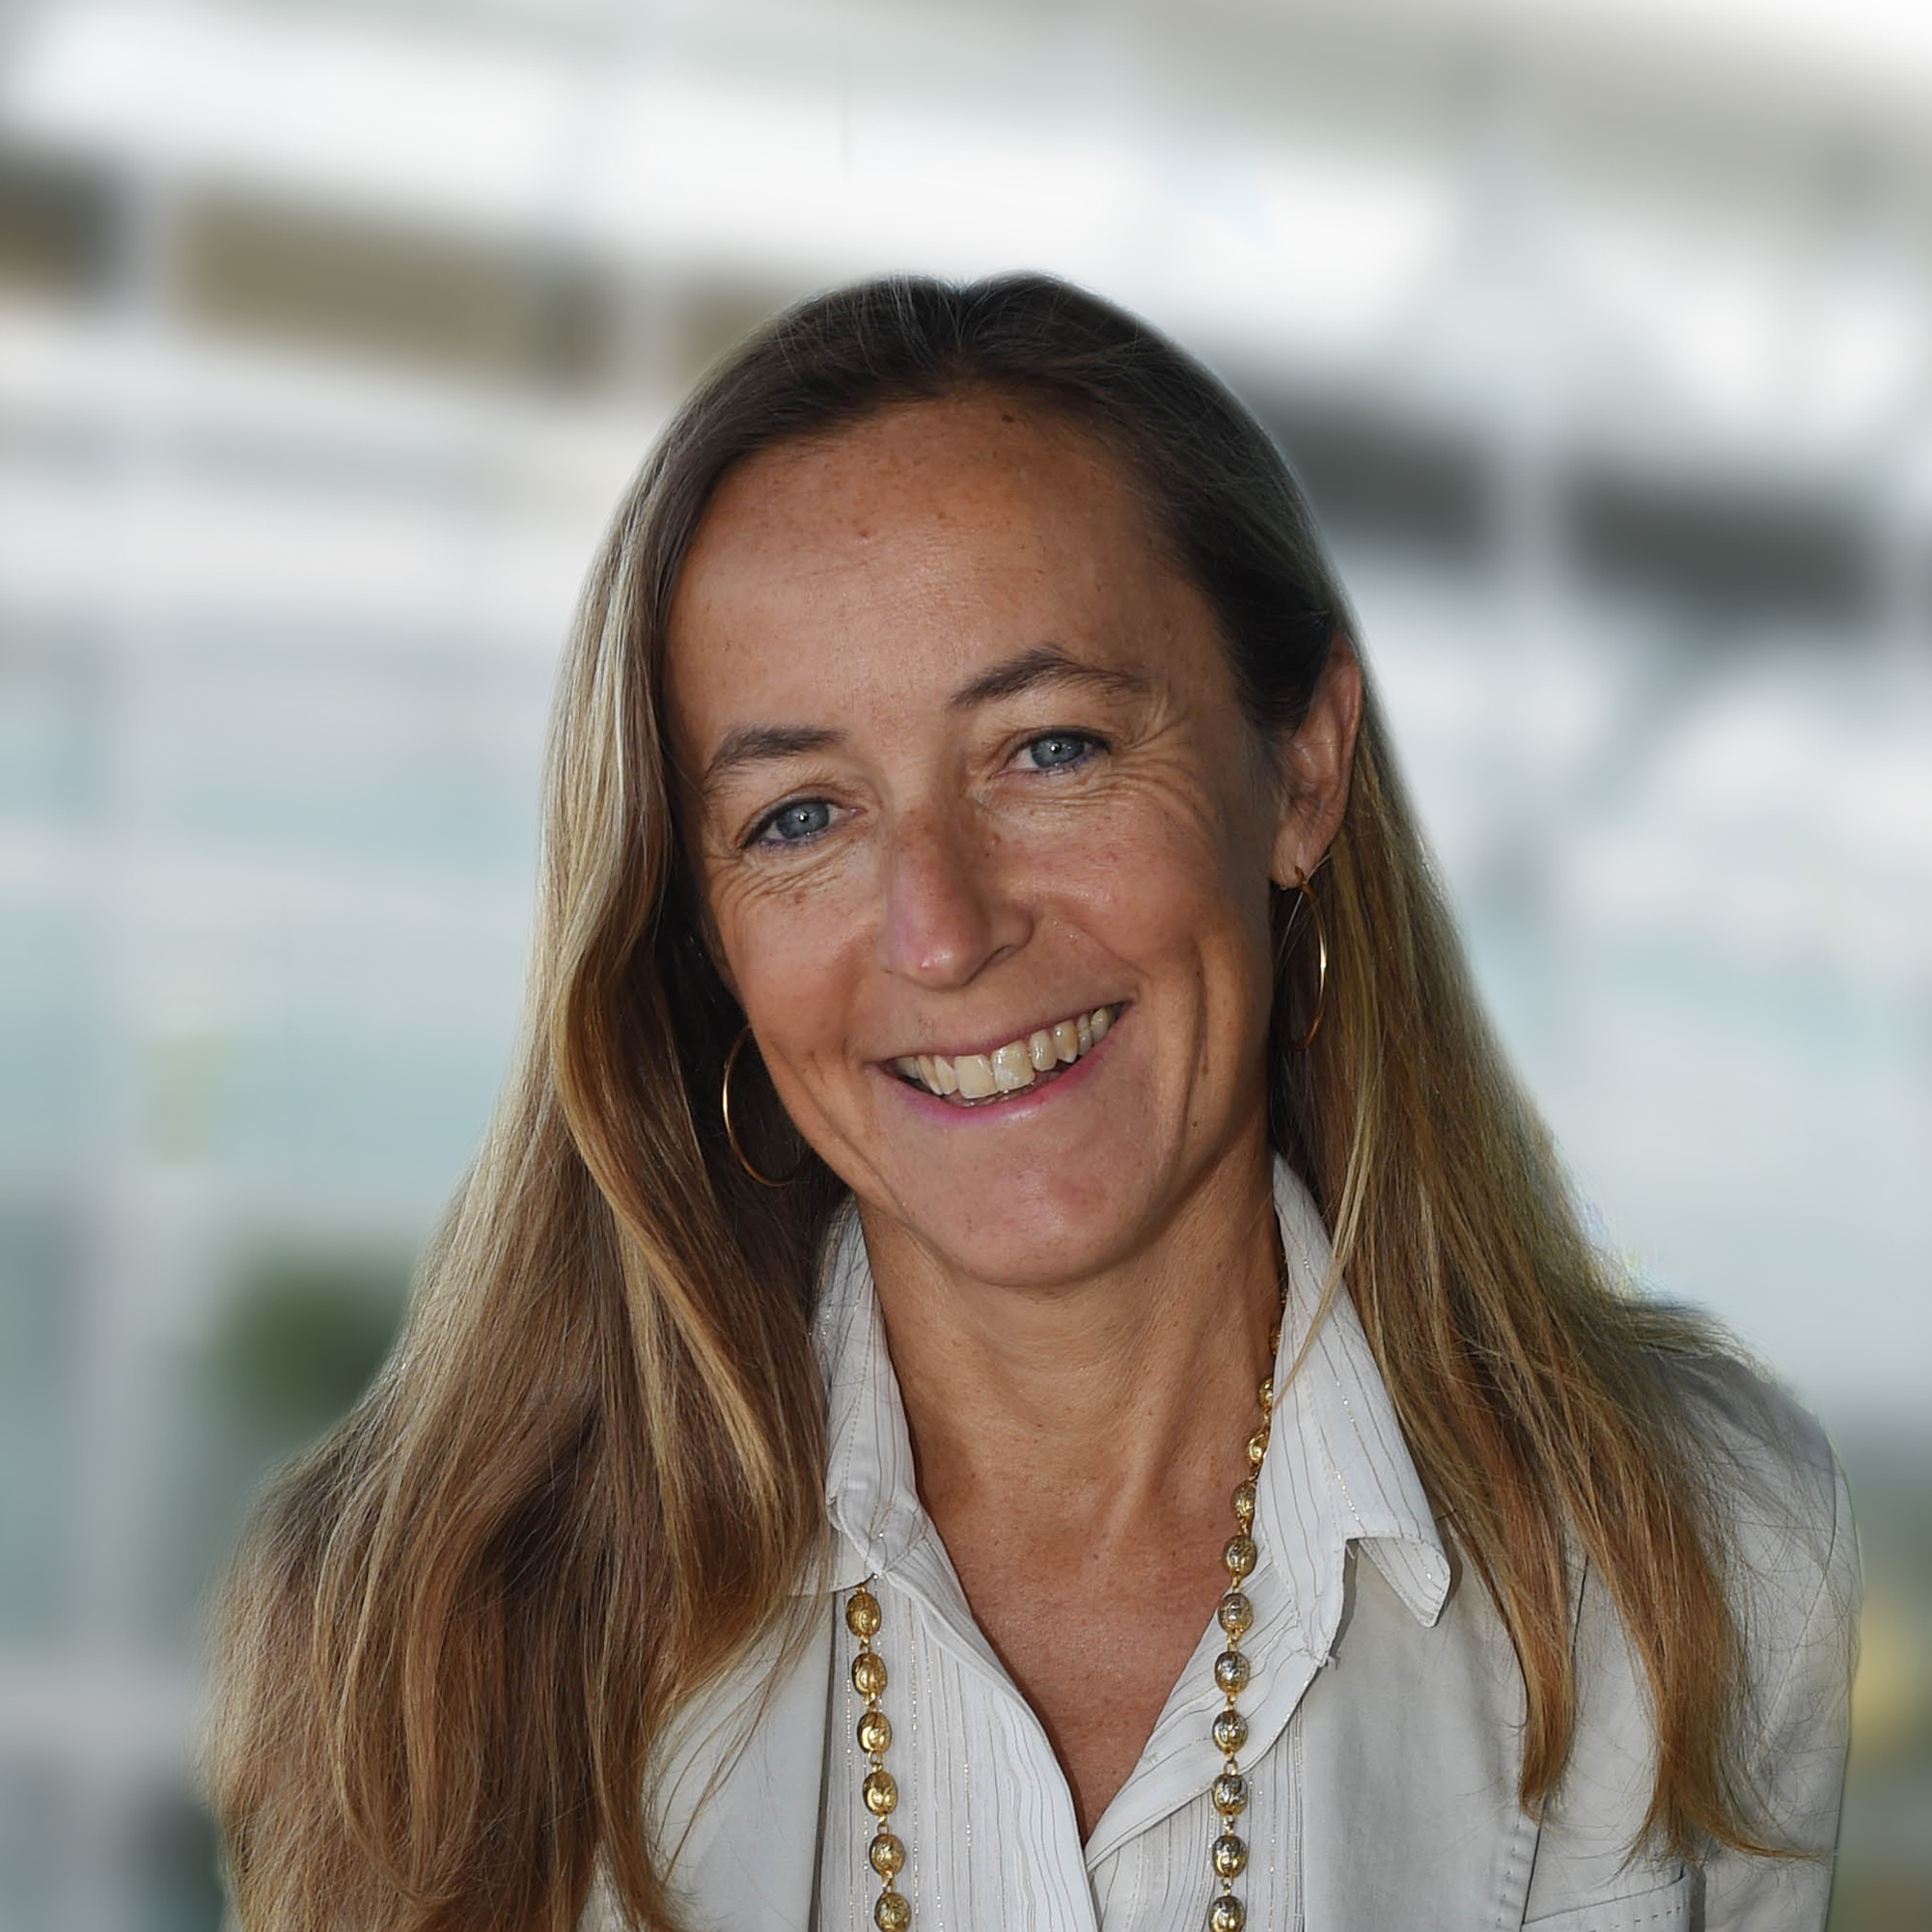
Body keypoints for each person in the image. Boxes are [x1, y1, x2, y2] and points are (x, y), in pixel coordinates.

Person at [207, 274, 1858, 1932]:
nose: (942, 928)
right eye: (798, 818)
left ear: (1299, 770)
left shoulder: (1699, 1547)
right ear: (699, 933)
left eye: (1049, 748)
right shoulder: (412, 1636)